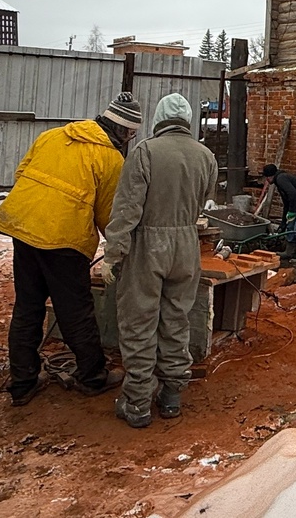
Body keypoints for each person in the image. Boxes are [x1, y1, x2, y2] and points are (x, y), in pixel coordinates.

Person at [0, 92, 141, 406]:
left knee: (27, 307)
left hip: (24, 227)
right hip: (63, 240)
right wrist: (118, 249)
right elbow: (109, 214)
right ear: (123, 131)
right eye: (130, 134)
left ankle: (22, 382)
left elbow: (22, 176)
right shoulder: (111, 158)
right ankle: (92, 376)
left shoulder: (52, 136)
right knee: (75, 311)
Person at [102, 93, 218, 429]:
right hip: (186, 246)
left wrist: (113, 255)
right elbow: (203, 203)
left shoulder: (145, 152)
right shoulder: (206, 155)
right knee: (176, 320)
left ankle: (137, 402)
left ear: (158, 119)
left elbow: (127, 209)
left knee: (140, 322)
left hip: (148, 246)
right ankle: (171, 395)